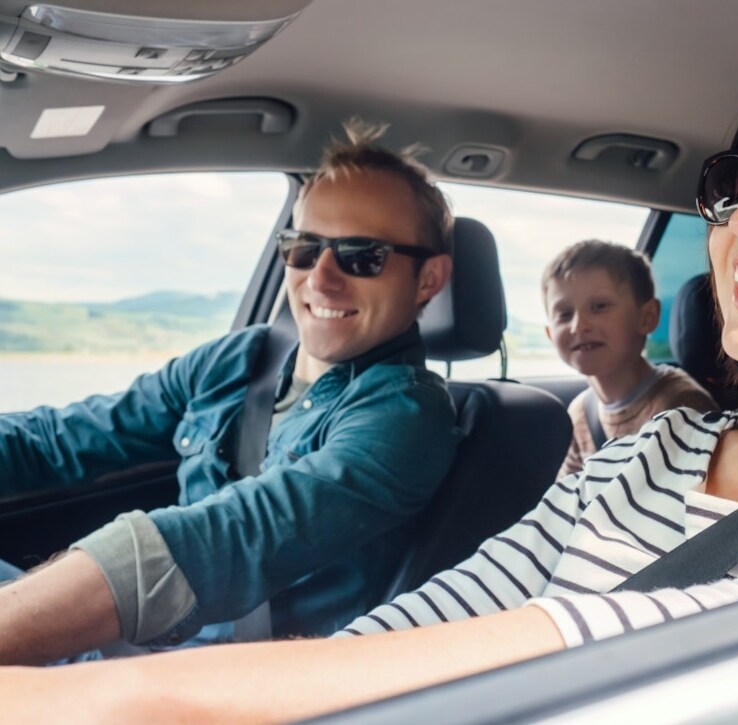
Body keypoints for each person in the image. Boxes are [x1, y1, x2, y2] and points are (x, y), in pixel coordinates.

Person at [0, 49, 738, 722]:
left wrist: (124, 695)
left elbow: (688, 644)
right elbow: (451, 611)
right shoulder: (650, 453)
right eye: (735, 183)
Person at [0, 121, 460, 665]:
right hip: (140, 649)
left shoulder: (407, 414)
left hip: (219, 683)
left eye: (363, 256)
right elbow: (61, 438)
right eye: (305, 248)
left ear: (428, 280)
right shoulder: (241, 360)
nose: (321, 279)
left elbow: (232, 538)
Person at [542, 239, 717, 475]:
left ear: (646, 317)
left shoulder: (682, 406)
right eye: (564, 314)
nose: (578, 325)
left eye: (599, 306)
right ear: (550, 334)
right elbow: (567, 497)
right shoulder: (581, 411)